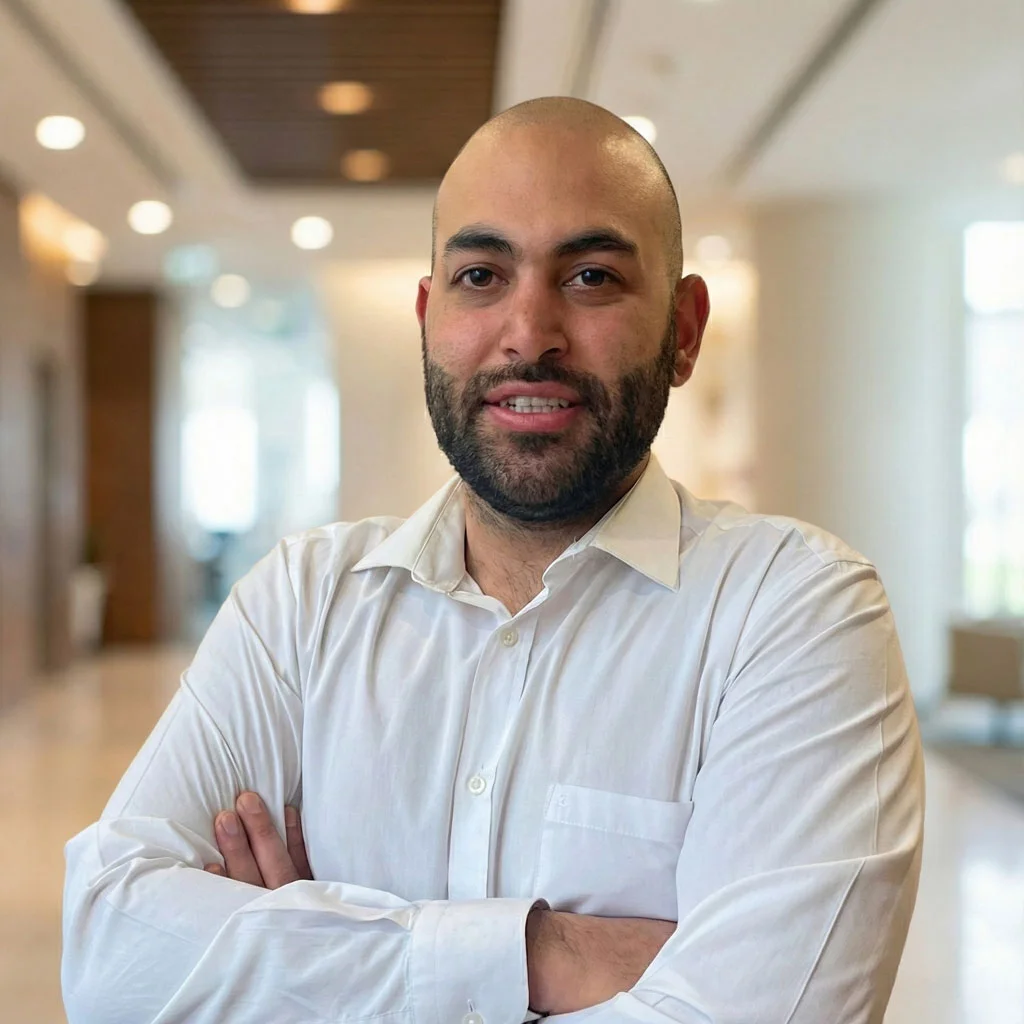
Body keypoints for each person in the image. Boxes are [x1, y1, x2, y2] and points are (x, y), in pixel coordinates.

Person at [62, 97, 924, 1024]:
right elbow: (111, 959)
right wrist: (545, 953)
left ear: (683, 330)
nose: (529, 332)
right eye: (481, 275)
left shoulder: (796, 612)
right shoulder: (300, 604)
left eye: (591, 276)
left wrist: (298, 952)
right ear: (428, 318)